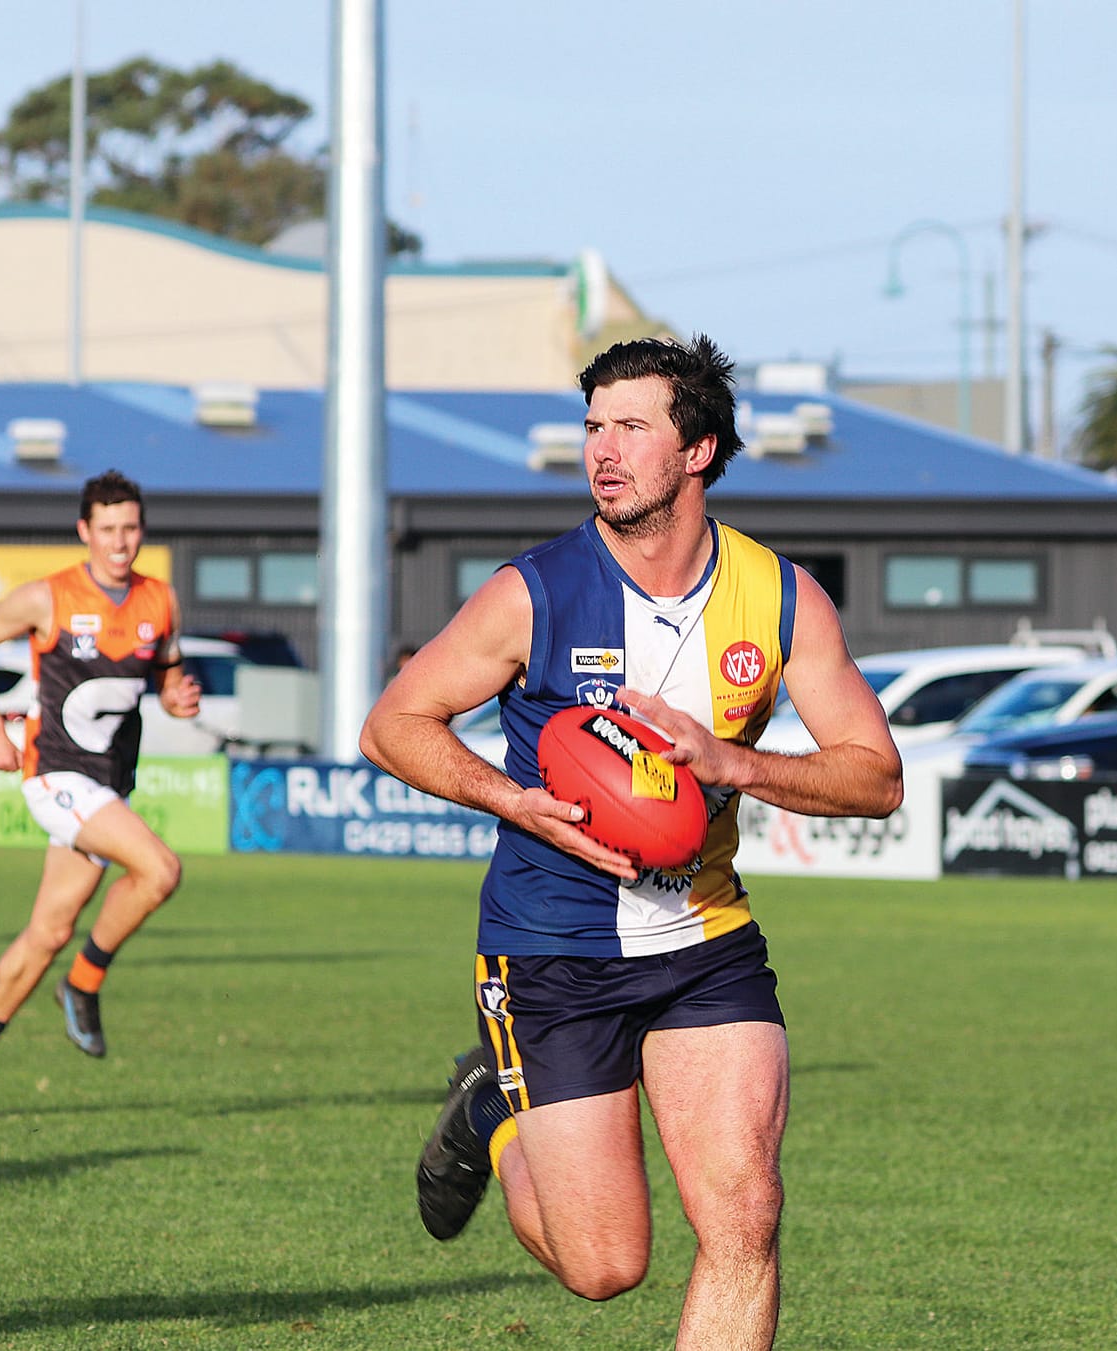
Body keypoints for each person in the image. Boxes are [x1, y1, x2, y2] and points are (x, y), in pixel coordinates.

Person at [361, 334, 902, 1350]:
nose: (601, 451)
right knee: (605, 1265)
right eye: (592, 428)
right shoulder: (534, 591)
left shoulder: (780, 596)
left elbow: (873, 774)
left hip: (704, 941)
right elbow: (393, 724)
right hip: (552, 950)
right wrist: (511, 799)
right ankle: (491, 1112)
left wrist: (738, 764)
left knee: (745, 1215)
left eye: (631, 428)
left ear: (695, 450)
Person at [0, 470, 201, 1116]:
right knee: (161, 868)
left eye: (131, 528)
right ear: (85, 530)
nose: (120, 541)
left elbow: (163, 672)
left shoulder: (160, 599)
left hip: (107, 783)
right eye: (108, 529)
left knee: (49, 929)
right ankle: (83, 983)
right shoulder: (49, 596)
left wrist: (175, 695)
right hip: (54, 774)